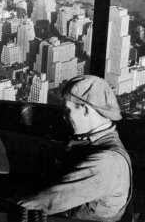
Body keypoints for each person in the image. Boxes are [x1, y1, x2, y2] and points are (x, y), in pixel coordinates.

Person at [17, 75, 132, 221]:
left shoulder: (107, 162)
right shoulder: (88, 140)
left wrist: (7, 203)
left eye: (67, 110)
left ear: (85, 110)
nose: (64, 117)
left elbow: (51, 201)